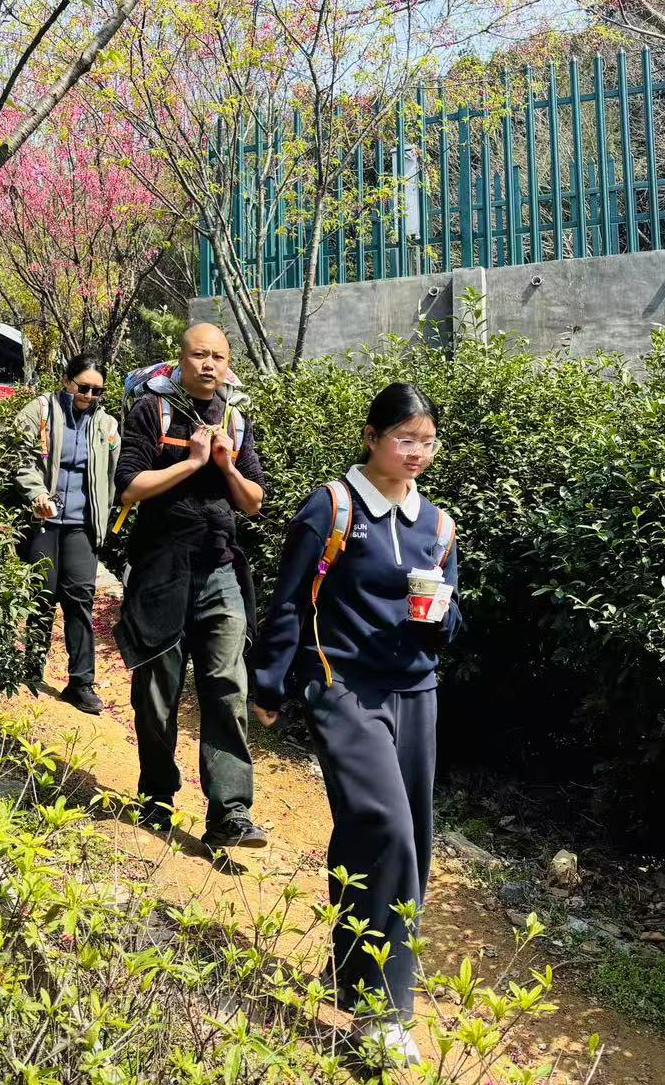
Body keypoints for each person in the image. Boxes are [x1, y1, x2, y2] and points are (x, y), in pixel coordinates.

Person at [250, 383, 462, 1065]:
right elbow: (290, 599)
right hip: (342, 686)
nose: (417, 452)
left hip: (415, 690)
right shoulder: (333, 507)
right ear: (371, 437)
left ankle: (352, 962)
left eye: (427, 441)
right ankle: (381, 1015)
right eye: (405, 439)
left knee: (407, 841)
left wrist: (438, 618)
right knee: (386, 828)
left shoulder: (438, 525)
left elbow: (452, 618)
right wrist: (269, 682)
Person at [114, 323, 268, 850]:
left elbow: (254, 501)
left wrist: (225, 467)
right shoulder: (151, 411)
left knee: (227, 686)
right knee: (157, 694)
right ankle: (157, 794)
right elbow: (130, 486)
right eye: (200, 355)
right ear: (181, 359)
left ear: (228, 364)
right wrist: (192, 463)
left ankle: (231, 813)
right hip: (160, 569)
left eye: (218, 357)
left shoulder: (235, 419)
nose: (209, 365)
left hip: (220, 569)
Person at [12, 354, 121, 715]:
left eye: (97, 390)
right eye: (83, 387)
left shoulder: (106, 425)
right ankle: (31, 669)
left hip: (82, 525)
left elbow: (114, 473)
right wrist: (36, 493)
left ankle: (81, 682)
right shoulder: (40, 411)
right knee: (41, 594)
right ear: (66, 381)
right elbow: (19, 458)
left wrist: (107, 513)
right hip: (42, 521)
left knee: (80, 600)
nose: (90, 395)